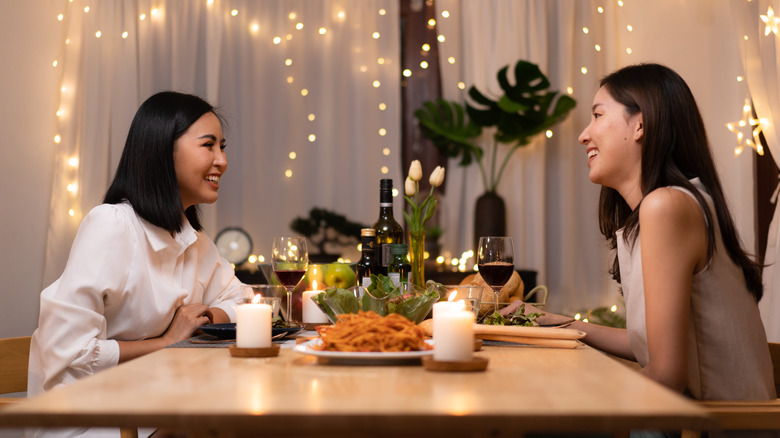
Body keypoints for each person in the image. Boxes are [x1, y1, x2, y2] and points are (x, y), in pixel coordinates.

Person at [503, 63, 776, 402]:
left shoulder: (667, 206)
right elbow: (646, 345)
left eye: (598, 116)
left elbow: (667, 375)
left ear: (640, 125)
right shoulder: (665, 205)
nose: (583, 134)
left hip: (718, 426)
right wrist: (556, 322)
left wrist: (570, 392)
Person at [28, 91, 245, 421]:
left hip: (155, 404)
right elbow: (70, 353)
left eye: (222, 147)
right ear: (162, 150)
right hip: (89, 415)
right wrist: (169, 340)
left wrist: (202, 319)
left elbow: (244, 302)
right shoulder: (112, 226)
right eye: (208, 145)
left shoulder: (193, 239)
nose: (222, 161)